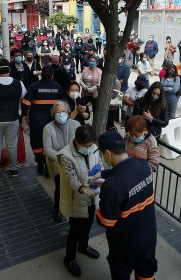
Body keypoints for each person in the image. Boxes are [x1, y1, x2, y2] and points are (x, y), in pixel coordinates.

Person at [95, 130, 157, 280]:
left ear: (108, 153)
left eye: (103, 154)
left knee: (121, 274)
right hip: (148, 237)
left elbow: (107, 221)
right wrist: (104, 174)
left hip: (124, 244)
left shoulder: (112, 186)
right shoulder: (143, 166)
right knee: (146, 274)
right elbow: (126, 172)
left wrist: (98, 208)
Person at [58, 124, 101, 277]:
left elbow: (97, 165)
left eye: (91, 145)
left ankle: (83, 246)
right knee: (75, 231)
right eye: (86, 146)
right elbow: (72, 180)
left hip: (91, 197)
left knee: (88, 224)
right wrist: (85, 190)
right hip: (76, 198)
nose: (89, 148)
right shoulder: (65, 156)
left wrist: (98, 177)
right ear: (77, 142)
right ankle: (69, 258)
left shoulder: (93, 147)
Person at [21, 65, 63, 176]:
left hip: (37, 121)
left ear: (41, 74)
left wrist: (24, 116)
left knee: (37, 142)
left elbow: (25, 103)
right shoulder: (57, 86)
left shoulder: (34, 86)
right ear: (52, 75)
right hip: (52, 122)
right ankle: (48, 166)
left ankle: (40, 163)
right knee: (50, 143)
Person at [43, 101, 80, 223]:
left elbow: (80, 143)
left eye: (63, 111)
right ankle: (57, 208)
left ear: (68, 112)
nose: (61, 114)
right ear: (53, 114)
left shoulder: (75, 124)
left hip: (74, 160)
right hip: (57, 162)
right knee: (60, 187)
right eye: (58, 112)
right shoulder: (48, 128)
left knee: (75, 184)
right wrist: (62, 158)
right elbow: (48, 149)